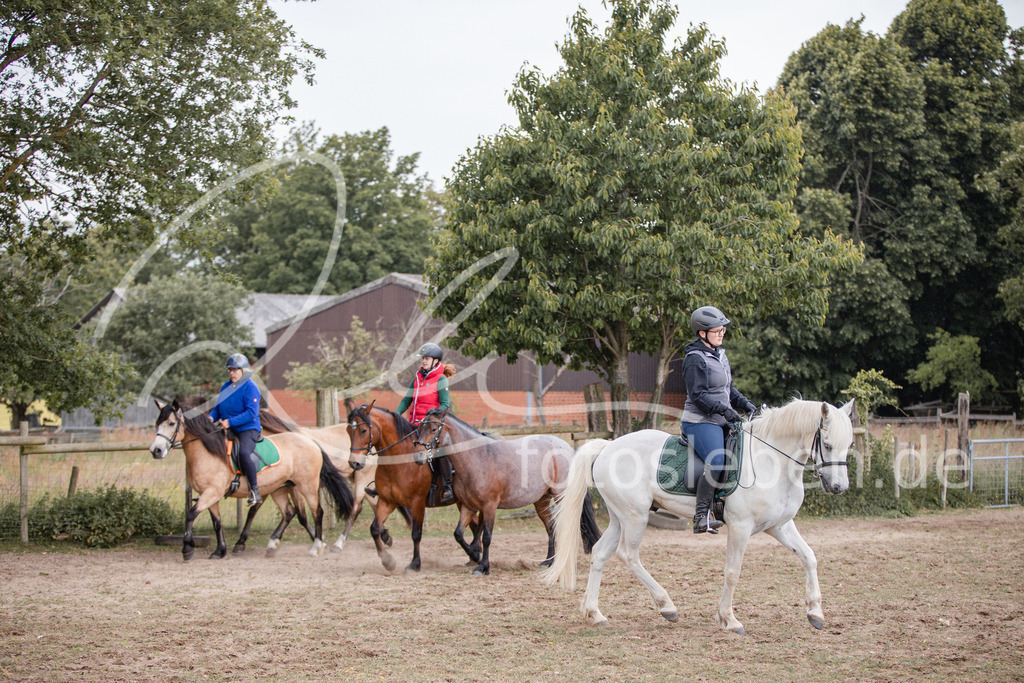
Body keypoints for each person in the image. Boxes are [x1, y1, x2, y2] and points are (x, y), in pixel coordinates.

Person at [680, 306, 757, 534]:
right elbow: (698, 396)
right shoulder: (695, 359)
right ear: (702, 333)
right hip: (700, 421)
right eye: (717, 331)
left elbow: (728, 388)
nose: (722, 334)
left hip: (721, 418)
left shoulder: (720, 355)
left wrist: (745, 403)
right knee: (717, 460)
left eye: (723, 330)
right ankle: (701, 517)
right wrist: (725, 411)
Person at [396, 343, 456, 503]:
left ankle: (447, 486)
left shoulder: (441, 379)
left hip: (431, 427)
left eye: (427, 358)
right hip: (413, 424)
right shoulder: (417, 378)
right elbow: (406, 400)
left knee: (441, 450)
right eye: (423, 358)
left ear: (436, 360)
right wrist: (395, 415)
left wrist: (430, 417)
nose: (423, 361)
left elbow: (445, 404)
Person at [209, 353, 263, 506]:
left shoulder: (251, 387)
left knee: (244, 452)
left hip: (248, 429)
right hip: (229, 428)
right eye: (230, 370)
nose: (231, 373)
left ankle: (254, 491)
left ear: (243, 371)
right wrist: (210, 418)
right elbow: (218, 408)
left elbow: (251, 413)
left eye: (235, 370)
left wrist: (230, 422)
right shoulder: (226, 386)